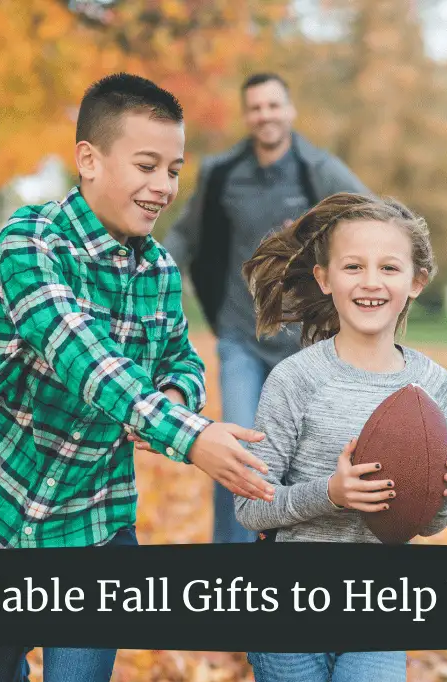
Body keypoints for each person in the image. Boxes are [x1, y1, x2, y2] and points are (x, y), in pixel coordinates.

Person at [0, 73, 275, 682]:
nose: (162, 186)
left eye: (174, 169)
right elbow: (80, 353)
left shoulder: (155, 268)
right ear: (90, 159)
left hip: (96, 524)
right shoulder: (27, 245)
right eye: (146, 165)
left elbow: (180, 359)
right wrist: (191, 436)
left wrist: (173, 402)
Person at [233, 192, 447, 682]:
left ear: (416, 281)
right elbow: (251, 508)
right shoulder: (296, 379)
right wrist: (329, 495)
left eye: (390, 267)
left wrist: (446, 489)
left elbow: (428, 523)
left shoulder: (431, 385)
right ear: (324, 278)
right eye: (353, 266)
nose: (371, 281)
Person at [164, 72, 371, 544]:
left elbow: (374, 217)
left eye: (273, 106)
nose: (265, 115)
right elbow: (185, 235)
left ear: (290, 110)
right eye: (256, 108)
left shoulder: (318, 171)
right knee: (238, 449)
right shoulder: (223, 173)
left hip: (307, 344)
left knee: (308, 459)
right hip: (242, 336)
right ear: (246, 116)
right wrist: (152, 273)